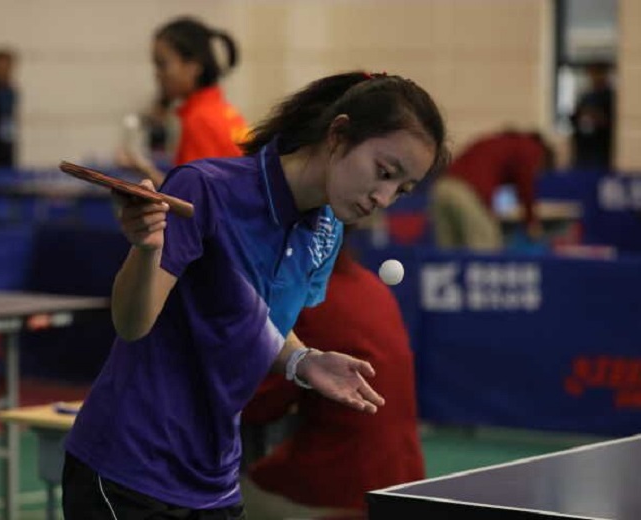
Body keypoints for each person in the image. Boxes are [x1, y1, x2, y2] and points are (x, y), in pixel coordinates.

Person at [62, 71, 449, 519]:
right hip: (129, 467)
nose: (384, 196)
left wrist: (302, 361)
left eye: (401, 189)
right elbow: (131, 324)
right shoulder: (206, 189)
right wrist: (147, 251)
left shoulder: (326, 229)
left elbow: (256, 319)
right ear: (338, 134)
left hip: (214, 479)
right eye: (384, 172)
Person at [241, 242, 425, 518]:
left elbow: (259, 407)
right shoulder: (375, 287)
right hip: (407, 479)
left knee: (223, 495)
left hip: (344, 490)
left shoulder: (304, 301)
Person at [118, 16, 249, 187]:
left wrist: (144, 170)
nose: (157, 75)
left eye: (162, 64)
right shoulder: (222, 111)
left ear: (193, 66)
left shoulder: (200, 121)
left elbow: (190, 199)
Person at [429, 130, 555, 251]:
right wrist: (531, 222)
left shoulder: (501, 142)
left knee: (448, 256)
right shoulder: (531, 148)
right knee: (487, 251)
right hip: (467, 192)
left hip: (441, 188)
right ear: (543, 157)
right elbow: (526, 184)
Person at [570, 62, 615, 171]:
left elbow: (609, 120)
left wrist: (595, 115)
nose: (594, 77)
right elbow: (575, 118)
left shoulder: (609, 96)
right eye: (592, 74)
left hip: (600, 148)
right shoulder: (585, 97)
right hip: (583, 147)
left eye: (597, 73)